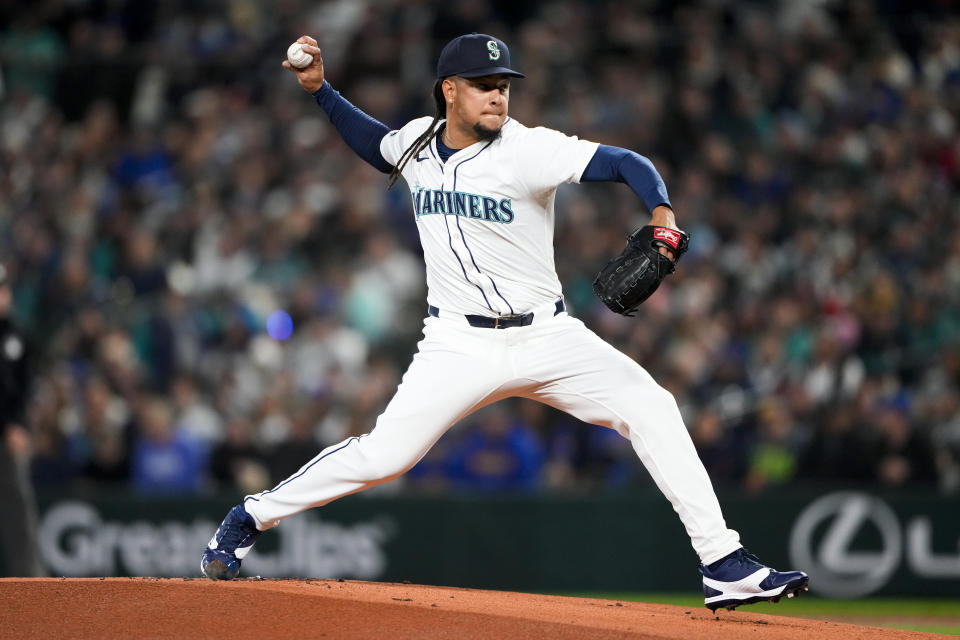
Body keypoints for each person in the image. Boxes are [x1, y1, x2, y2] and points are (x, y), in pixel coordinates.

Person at [200, 33, 808, 611]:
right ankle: (253, 515)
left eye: (504, 84)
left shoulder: (529, 148)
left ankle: (722, 563)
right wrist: (319, 90)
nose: (498, 94)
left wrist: (662, 212)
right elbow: (372, 142)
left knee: (651, 406)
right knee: (385, 457)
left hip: (548, 336)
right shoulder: (415, 144)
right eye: (483, 83)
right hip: (457, 342)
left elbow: (626, 162)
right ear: (449, 90)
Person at [0, 265, 43, 576]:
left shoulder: (17, 335)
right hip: (7, 429)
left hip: (9, 437)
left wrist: (20, 426)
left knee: (17, 509)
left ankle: (29, 582)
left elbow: (25, 387)